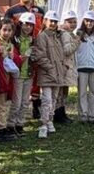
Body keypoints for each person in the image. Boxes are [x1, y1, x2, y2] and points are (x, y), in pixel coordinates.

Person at [32, 10, 69, 138]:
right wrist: (51, 68)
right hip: (47, 74)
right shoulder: (42, 36)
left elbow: (61, 56)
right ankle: (43, 123)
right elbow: (40, 56)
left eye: (55, 21)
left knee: (54, 99)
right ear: (45, 21)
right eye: (50, 21)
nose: (53, 23)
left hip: (58, 74)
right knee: (47, 99)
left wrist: (63, 68)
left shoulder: (56, 37)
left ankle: (49, 120)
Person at [0, 17, 21, 140]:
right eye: (4, 30)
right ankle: (1, 130)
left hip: (7, 79)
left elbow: (18, 62)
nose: (6, 33)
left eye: (9, 30)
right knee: (0, 106)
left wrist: (14, 57)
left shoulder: (11, 45)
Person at [11, 13, 37, 134]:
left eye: (31, 25)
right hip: (17, 74)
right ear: (20, 24)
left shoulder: (33, 40)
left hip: (29, 74)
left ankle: (20, 123)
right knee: (16, 102)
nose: (28, 27)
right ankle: (11, 124)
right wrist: (20, 58)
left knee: (25, 101)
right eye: (26, 24)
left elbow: (35, 56)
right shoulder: (14, 39)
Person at [56, 11, 80, 124]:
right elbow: (67, 50)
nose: (73, 24)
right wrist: (76, 42)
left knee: (63, 91)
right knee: (61, 92)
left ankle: (62, 113)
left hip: (67, 66)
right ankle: (59, 114)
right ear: (64, 22)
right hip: (64, 67)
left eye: (74, 22)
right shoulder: (65, 34)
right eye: (70, 22)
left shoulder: (69, 33)